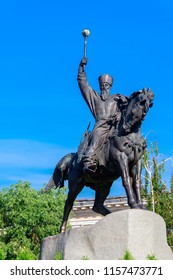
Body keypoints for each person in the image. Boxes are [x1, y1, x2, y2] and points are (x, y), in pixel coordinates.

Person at [77, 57, 128, 174]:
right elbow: (83, 84)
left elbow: (128, 111)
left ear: (110, 87)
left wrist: (119, 115)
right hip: (100, 127)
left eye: (107, 85)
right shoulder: (94, 97)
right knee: (95, 139)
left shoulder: (117, 98)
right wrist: (81, 68)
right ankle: (88, 161)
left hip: (114, 128)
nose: (104, 87)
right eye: (102, 85)